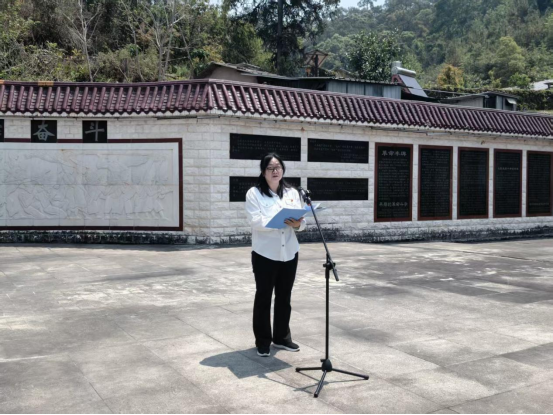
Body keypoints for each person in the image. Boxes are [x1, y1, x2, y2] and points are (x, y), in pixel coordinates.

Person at [245, 153, 306, 357]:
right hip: (265, 253)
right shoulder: (254, 194)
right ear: (263, 172)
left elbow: (301, 222)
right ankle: (263, 341)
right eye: (270, 168)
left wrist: (297, 224)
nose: (275, 171)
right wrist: (279, 221)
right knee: (264, 297)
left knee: (284, 296)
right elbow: (255, 221)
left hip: (289, 251)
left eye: (278, 167)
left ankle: (281, 337)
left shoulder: (292, 193)